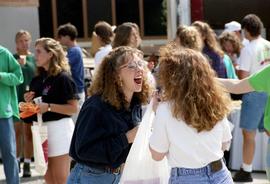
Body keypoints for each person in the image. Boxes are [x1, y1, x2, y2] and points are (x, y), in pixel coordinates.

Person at [67, 46, 152, 184]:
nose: (139, 69)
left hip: (118, 176)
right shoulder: (96, 106)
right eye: (131, 66)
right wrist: (127, 138)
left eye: (140, 64)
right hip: (91, 177)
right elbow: (84, 150)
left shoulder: (134, 103)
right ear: (116, 75)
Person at [149, 46, 233, 184]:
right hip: (220, 174)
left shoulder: (165, 109)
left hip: (186, 178)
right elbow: (225, 143)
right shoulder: (215, 101)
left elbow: (157, 155)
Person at [24, 38, 78, 184]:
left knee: (61, 179)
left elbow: (73, 108)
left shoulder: (63, 78)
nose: (35, 55)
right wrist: (28, 103)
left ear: (50, 54)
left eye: (39, 51)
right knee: (49, 179)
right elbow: (35, 109)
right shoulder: (37, 79)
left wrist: (48, 107)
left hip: (60, 132)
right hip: (41, 132)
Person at [229, 14, 270, 182]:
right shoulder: (268, 44)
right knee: (268, 129)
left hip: (254, 92)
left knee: (248, 134)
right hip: (267, 90)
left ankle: (246, 170)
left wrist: (236, 66)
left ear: (246, 30)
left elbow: (243, 78)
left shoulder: (248, 48)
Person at [13, 30, 36, 177]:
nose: (24, 43)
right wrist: (17, 65)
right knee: (16, 133)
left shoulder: (35, 58)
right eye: (21, 41)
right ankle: (16, 163)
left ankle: (27, 162)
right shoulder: (11, 58)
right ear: (16, 43)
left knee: (28, 134)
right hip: (15, 100)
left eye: (26, 40)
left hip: (30, 101)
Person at [0, 45, 23, 184]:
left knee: (9, 153)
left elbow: (18, 77)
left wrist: (1, 76)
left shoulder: (3, 53)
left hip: (3, 113)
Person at [57, 23, 85, 122]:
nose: (59, 40)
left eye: (60, 37)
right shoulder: (73, 50)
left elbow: (62, 66)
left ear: (68, 37)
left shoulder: (74, 51)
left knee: (75, 123)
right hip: (76, 90)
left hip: (77, 91)